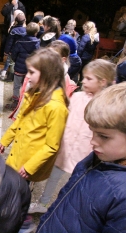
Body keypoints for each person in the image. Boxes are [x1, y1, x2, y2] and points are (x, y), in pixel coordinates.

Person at [36, 82, 126, 233]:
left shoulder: (121, 195)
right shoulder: (97, 159)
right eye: (93, 132)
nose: (92, 141)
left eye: (103, 136)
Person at [29, 59, 116, 214]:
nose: (84, 81)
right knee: (54, 176)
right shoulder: (77, 97)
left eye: (89, 78)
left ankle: (65, 209)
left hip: (85, 151)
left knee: (76, 183)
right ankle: (43, 203)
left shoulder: (107, 105)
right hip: (65, 146)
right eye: (84, 77)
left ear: (103, 81)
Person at [0, 48, 69, 231]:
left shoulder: (56, 107)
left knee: (17, 195)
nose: (27, 76)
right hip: (17, 153)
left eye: (31, 72)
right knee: (11, 191)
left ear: (46, 75)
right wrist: (6, 140)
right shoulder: (33, 94)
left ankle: (23, 224)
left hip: (27, 163)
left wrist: (29, 167)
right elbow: (20, 120)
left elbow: (52, 146)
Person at [5, 22, 40, 110]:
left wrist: (16, 60)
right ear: (36, 32)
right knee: (29, 85)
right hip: (31, 69)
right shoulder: (38, 43)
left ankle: (15, 101)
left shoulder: (19, 42)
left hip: (19, 68)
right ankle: (25, 102)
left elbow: (13, 54)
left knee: (16, 85)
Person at [1, 12, 26, 80]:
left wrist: (6, 51)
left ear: (16, 21)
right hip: (21, 51)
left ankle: (8, 75)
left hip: (12, 50)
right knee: (17, 63)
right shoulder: (25, 30)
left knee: (10, 62)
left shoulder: (14, 30)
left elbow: (9, 42)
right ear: (24, 21)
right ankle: (16, 76)